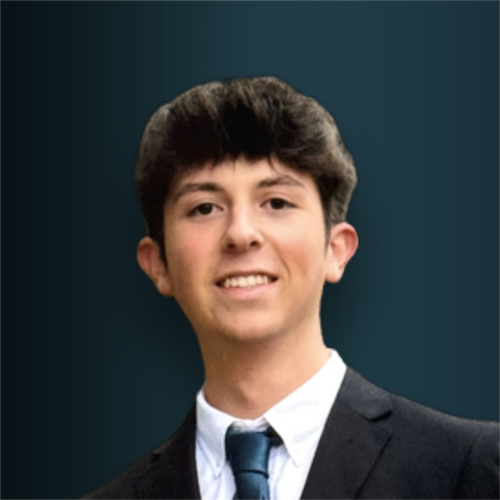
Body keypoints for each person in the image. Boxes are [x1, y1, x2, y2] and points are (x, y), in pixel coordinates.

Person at [81, 77, 500, 500]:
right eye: (204, 208)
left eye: (277, 203)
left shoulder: (470, 467)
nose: (241, 234)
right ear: (157, 264)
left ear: (336, 249)